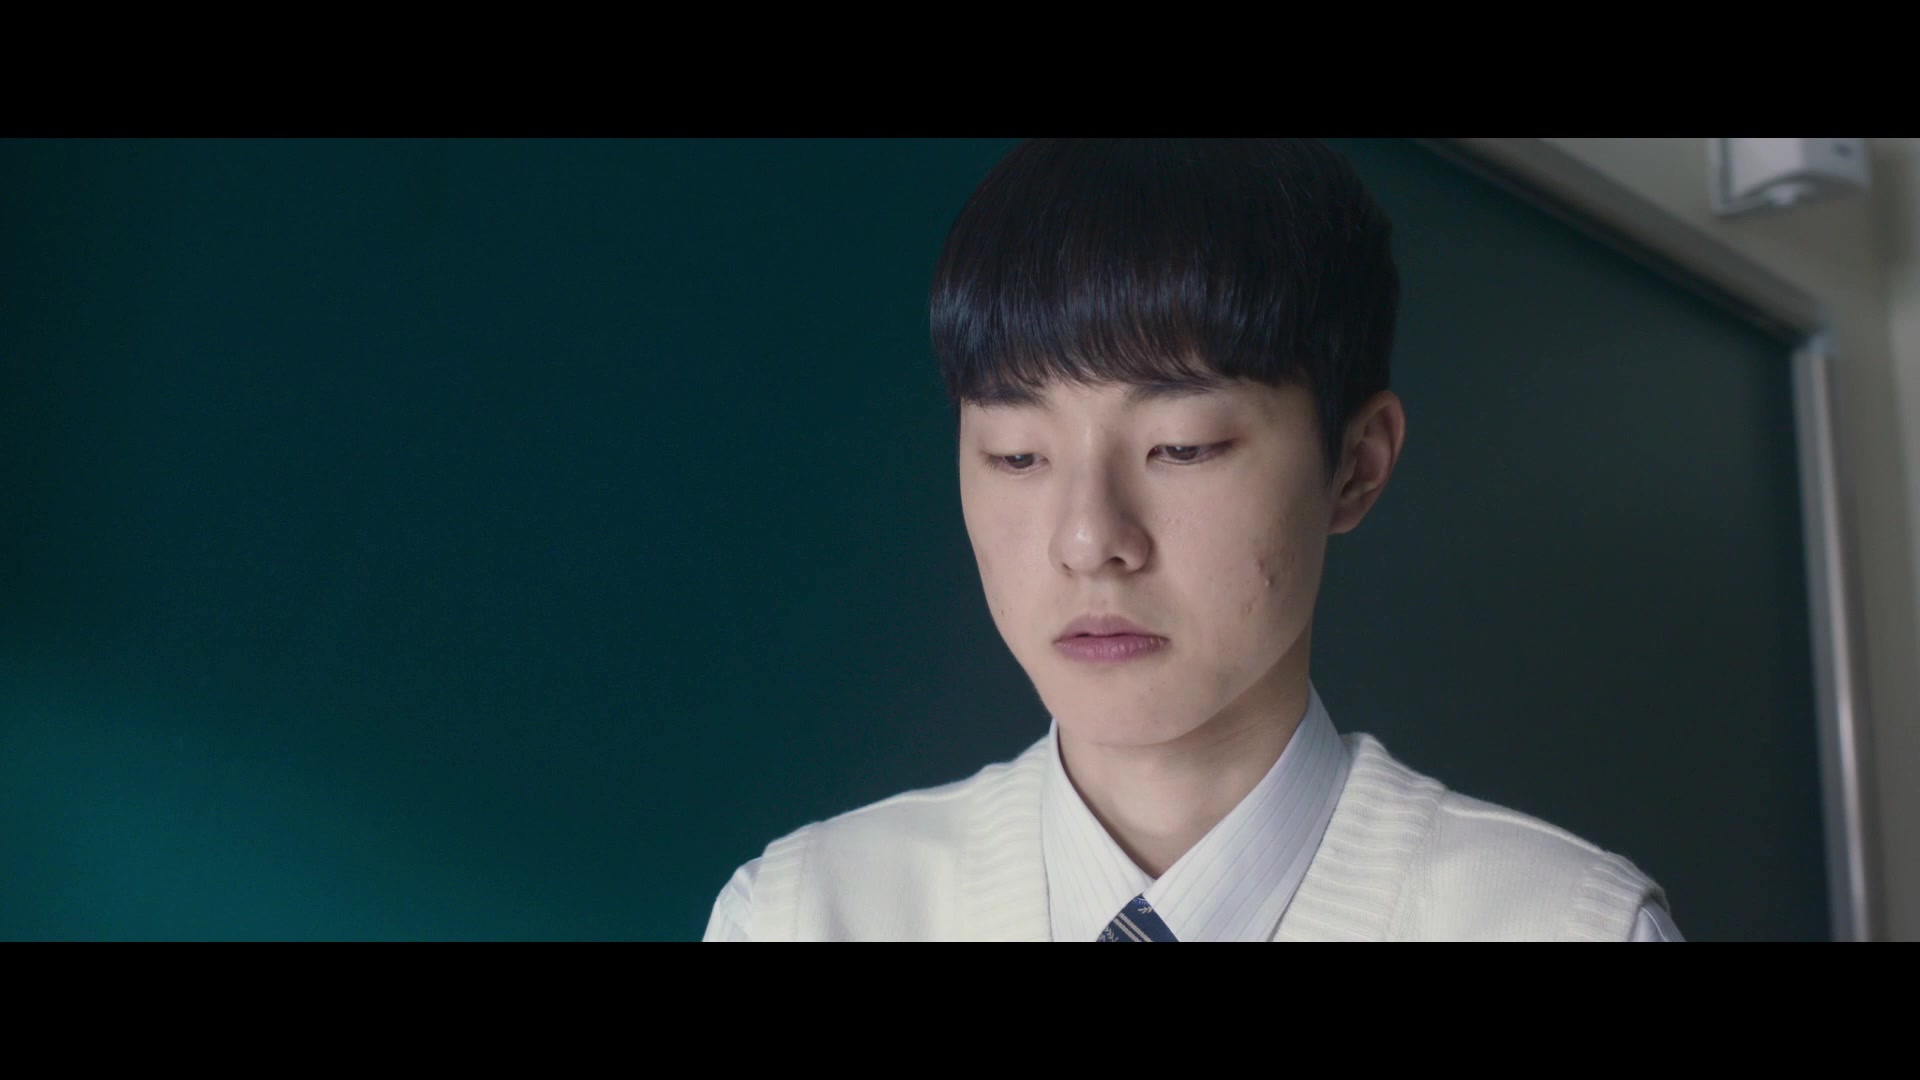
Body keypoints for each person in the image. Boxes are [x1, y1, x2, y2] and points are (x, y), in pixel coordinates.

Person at [703, 138, 1681, 942]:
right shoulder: (803, 916)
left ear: (1356, 464)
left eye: (1182, 446)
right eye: (1016, 454)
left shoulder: (1567, 927)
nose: (1090, 539)